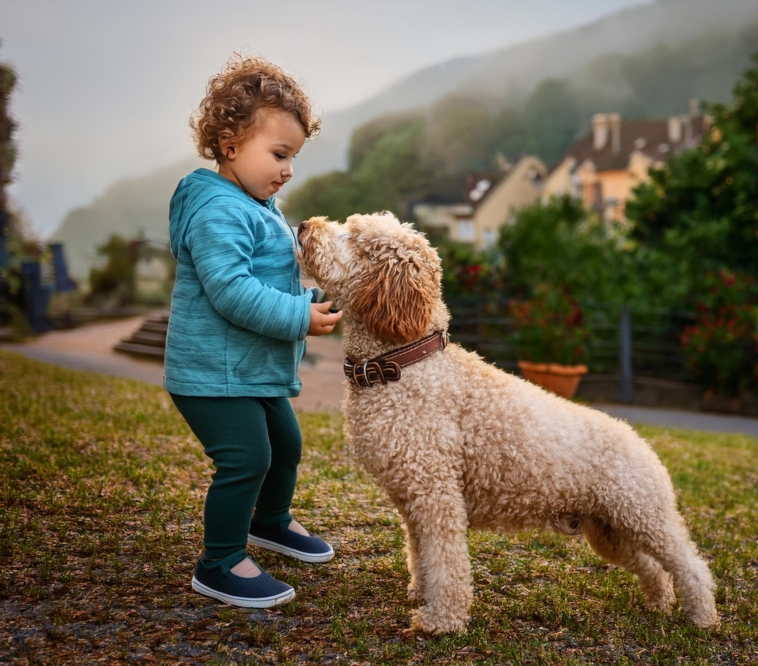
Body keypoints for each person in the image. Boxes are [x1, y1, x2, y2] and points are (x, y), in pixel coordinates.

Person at [164, 54, 342, 608]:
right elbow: (232, 290)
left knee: (285, 444)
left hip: (250, 368)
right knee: (247, 458)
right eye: (279, 154)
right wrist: (297, 319)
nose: (288, 169)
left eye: (293, 157)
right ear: (229, 143)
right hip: (211, 372)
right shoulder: (219, 209)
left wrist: (312, 301)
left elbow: (270, 278)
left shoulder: (258, 203)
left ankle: (270, 522)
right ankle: (218, 562)